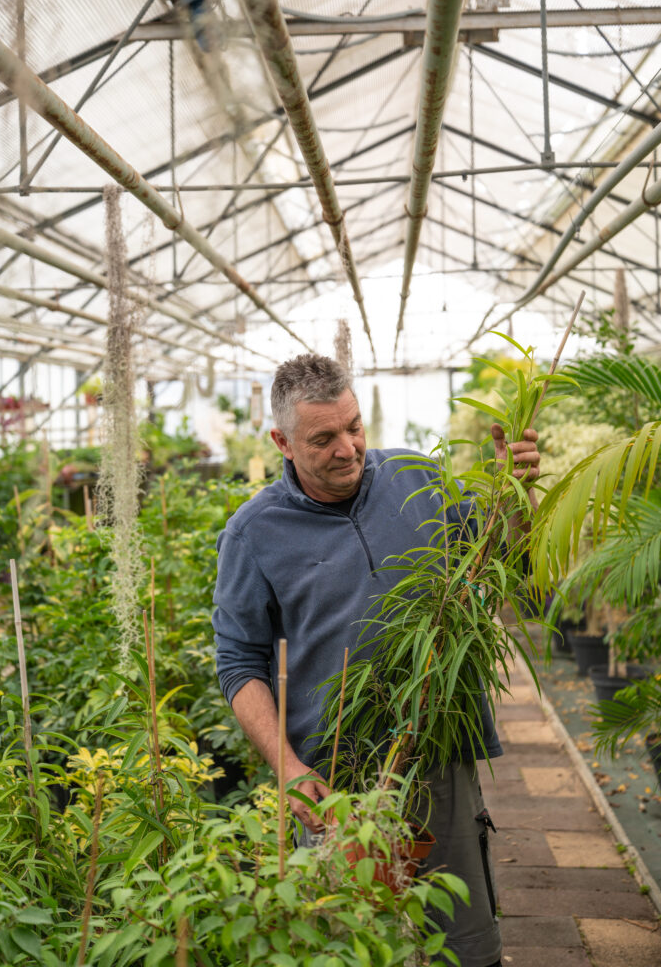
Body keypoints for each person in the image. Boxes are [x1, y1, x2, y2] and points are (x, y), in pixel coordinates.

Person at [214, 353, 540, 967]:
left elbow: (496, 565)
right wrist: (287, 770)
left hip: (437, 748)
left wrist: (514, 495)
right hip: (337, 779)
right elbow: (238, 662)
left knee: (464, 946)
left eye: (355, 426)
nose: (348, 448)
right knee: (351, 943)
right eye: (324, 438)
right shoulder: (253, 532)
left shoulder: (419, 477)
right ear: (282, 441)